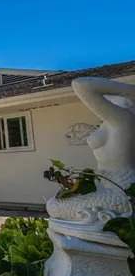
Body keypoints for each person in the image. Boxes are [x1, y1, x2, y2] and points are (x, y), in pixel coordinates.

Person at [46, 77, 135, 221]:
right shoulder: (112, 123)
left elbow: (81, 85)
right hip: (104, 183)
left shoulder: (124, 120)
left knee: (54, 206)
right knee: (55, 204)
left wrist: (130, 92)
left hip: (122, 187)